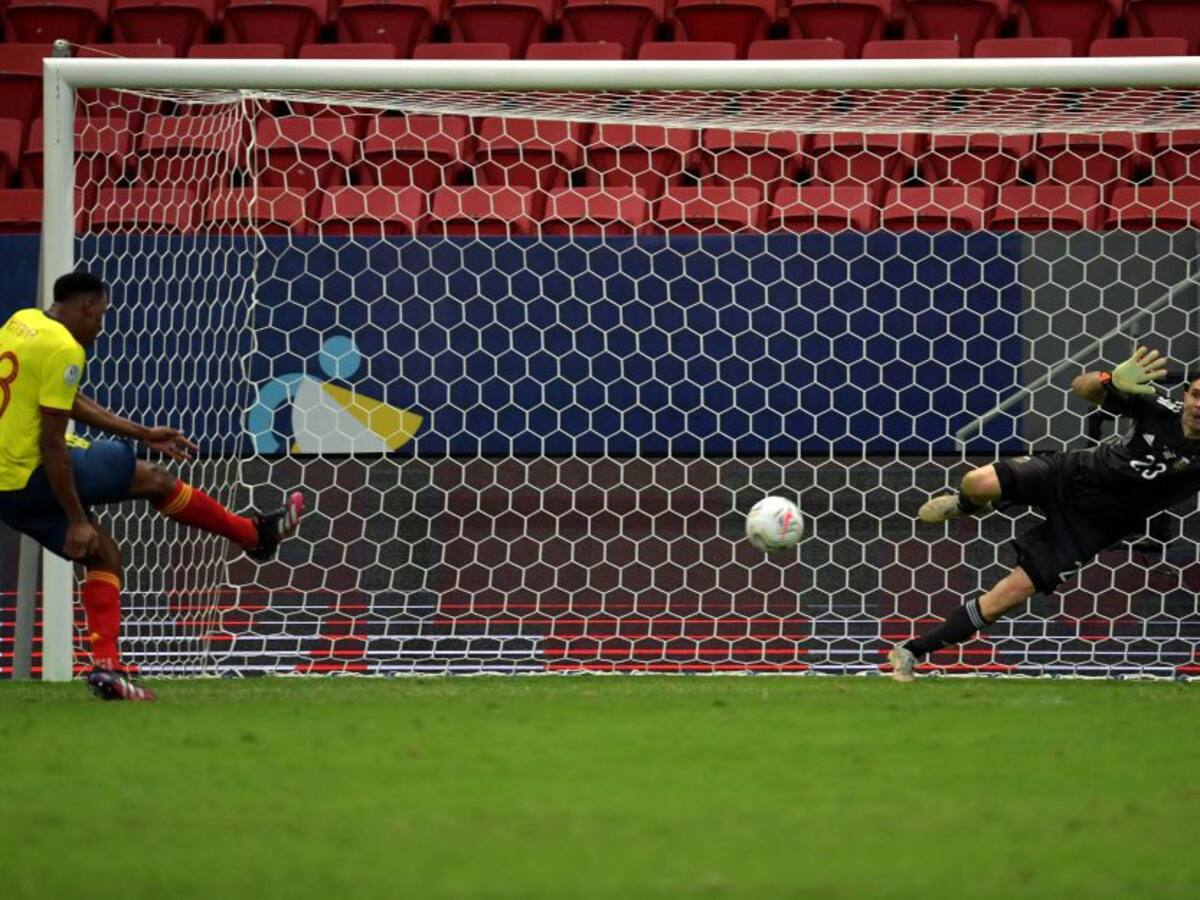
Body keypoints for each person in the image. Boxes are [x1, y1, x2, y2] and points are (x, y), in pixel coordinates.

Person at [0, 272, 304, 700]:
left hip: (6, 486)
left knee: (103, 552)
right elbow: (52, 442)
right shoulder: (64, 347)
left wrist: (142, 430)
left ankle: (107, 669)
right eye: (102, 316)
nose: (101, 328)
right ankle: (253, 535)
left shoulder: (21, 322)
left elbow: (63, 401)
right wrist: (75, 518)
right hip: (32, 470)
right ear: (87, 306)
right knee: (141, 473)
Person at [889, 346, 1199, 682]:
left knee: (1009, 595)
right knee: (977, 481)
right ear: (1185, 394)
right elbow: (1082, 388)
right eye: (1196, 395)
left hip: (1097, 523)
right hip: (1072, 474)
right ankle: (967, 506)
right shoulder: (1156, 410)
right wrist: (1108, 379)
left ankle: (910, 651)